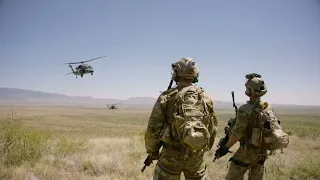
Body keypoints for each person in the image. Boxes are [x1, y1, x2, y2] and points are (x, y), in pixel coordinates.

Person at [144, 57, 218, 180]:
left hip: (171, 156)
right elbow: (212, 127)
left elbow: (153, 129)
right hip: (196, 156)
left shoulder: (167, 97)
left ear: (177, 72)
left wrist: (153, 152)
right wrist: (202, 149)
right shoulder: (205, 97)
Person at [214, 73, 273, 180]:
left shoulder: (245, 109)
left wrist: (225, 148)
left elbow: (237, 133)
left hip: (246, 152)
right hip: (262, 153)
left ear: (250, 90)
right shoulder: (267, 108)